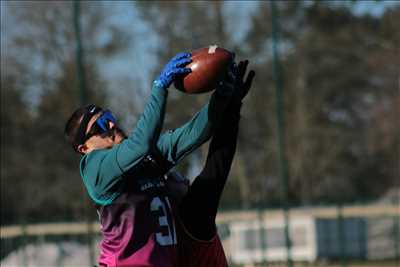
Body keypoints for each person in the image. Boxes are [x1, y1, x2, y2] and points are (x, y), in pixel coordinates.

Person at [64, 51, 254, 267]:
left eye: (109, 117)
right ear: (83, 147)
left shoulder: (142, 161)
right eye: (100, 125)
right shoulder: (94, 167)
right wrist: (160, 87)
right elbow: (141, 143)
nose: (111, 124)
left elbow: (193, 134)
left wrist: (222, 98)